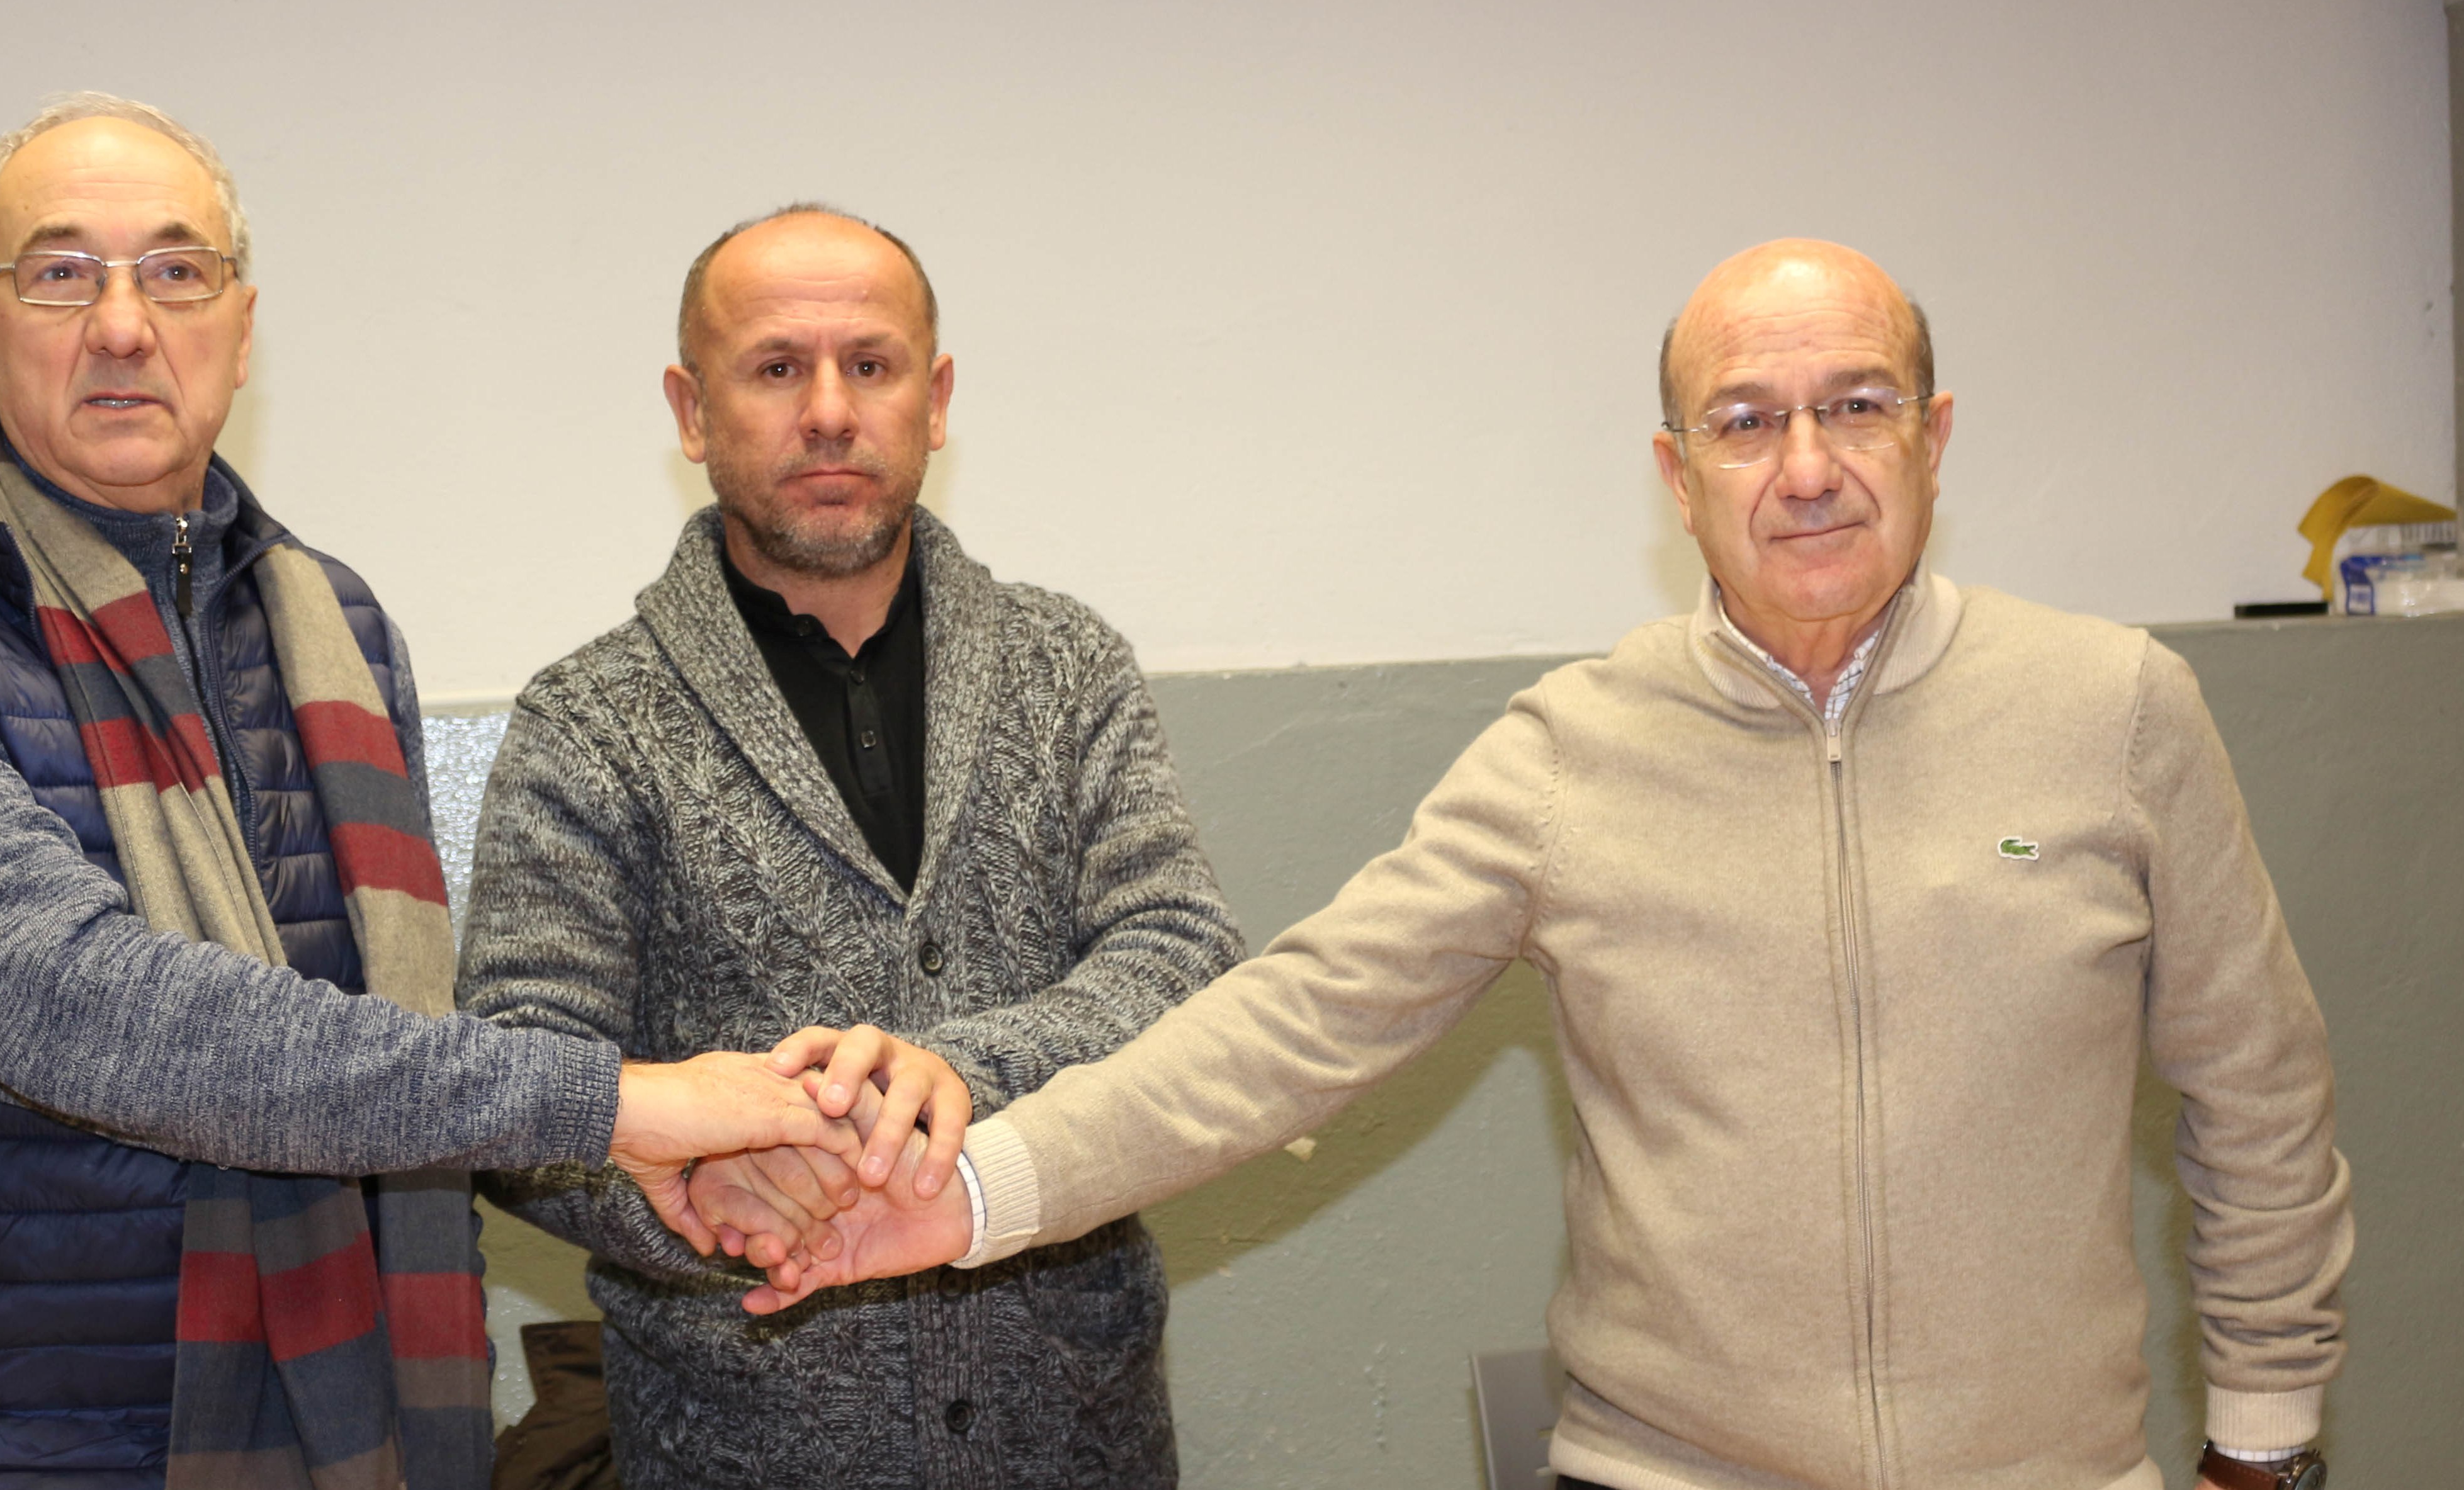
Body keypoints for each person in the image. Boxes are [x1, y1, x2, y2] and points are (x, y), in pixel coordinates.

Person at [752, 240, 2354, 1490]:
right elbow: (1285, 1031)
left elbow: (2259, 1096)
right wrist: (974, 1194)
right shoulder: (1568, 754)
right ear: (1676, 474)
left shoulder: (2113, 708)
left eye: (1856, 405)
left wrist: (2263, 1442)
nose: (1805, 466)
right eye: (1745, 421)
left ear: (1933, 438)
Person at [0, 97, 855, 1490]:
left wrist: (676, 1162)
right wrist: (611, 1104)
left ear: (241, 328)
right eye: (61, 274)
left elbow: (398, 1057)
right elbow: (84, 1012)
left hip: (351, 1434)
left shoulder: (338, 629)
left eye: (177, 271)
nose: (124, 324)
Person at [456, 205, 1244, 1489]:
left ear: (935, 400)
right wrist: (712, 1189)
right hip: (741, 1450)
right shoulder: (589, 723)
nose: (829, 411)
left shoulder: (1068, 668)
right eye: (776, 368)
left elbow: (1184, 961)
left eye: (870, 366)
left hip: (1075, 1441)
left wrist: (949, 1078)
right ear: (691, 410)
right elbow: (520, 1081)